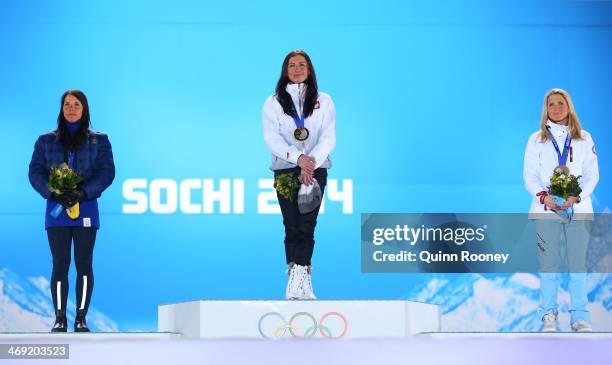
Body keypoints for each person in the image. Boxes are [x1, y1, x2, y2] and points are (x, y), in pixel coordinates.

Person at [29, 90, 115, 332]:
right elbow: (35, 172)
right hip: (56, 212)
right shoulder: (45, 140)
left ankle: (81, 318)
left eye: (76, 104)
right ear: (61, 109)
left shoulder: (100, 140)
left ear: (84, 108)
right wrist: (53, 191)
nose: (71, 108)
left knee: (84, 264)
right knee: (60, 265)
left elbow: (106, 172)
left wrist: (82, 192)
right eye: (66, 104)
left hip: (86, 209)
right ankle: (59, 318)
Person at [523, 88, 599, 332]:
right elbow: (529, 176)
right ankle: (549, 315)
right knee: (548, 264)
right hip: (546, 211)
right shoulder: (536, 140)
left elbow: (591, 175)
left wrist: (577, 196)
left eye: (561, 103)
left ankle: (579, 317)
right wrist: (546, 198)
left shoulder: (584, 138)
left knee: (578, 265)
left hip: (579, 210)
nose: (556, 108)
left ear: (569, 107)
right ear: (546, 109)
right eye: (552, 104)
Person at [263, 50, 336, 300]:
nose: (296, 69)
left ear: (309, 69)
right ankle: (299, 275)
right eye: (292, 65)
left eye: (301, 65)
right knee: (291, 224)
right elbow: (271, 138)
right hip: (285, 170)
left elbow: (329, 135)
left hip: (315, 171)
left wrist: (311, 162)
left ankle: (299, 276)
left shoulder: (324, 100)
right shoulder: (273, 102)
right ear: (285, 70)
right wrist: (298, 159)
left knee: (307, 225)